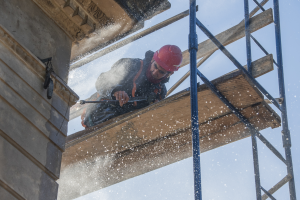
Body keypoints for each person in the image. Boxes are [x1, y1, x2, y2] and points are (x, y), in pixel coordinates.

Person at [82, 45, 183, 128]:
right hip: (99, 112)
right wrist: (115, 91)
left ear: (169, 74)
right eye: (155, 66)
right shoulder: (130, 65)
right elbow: (102, 81)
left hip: (124, 125)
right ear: (152, 59)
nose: (155, 71)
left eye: (161, 72)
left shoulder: (160, 92)